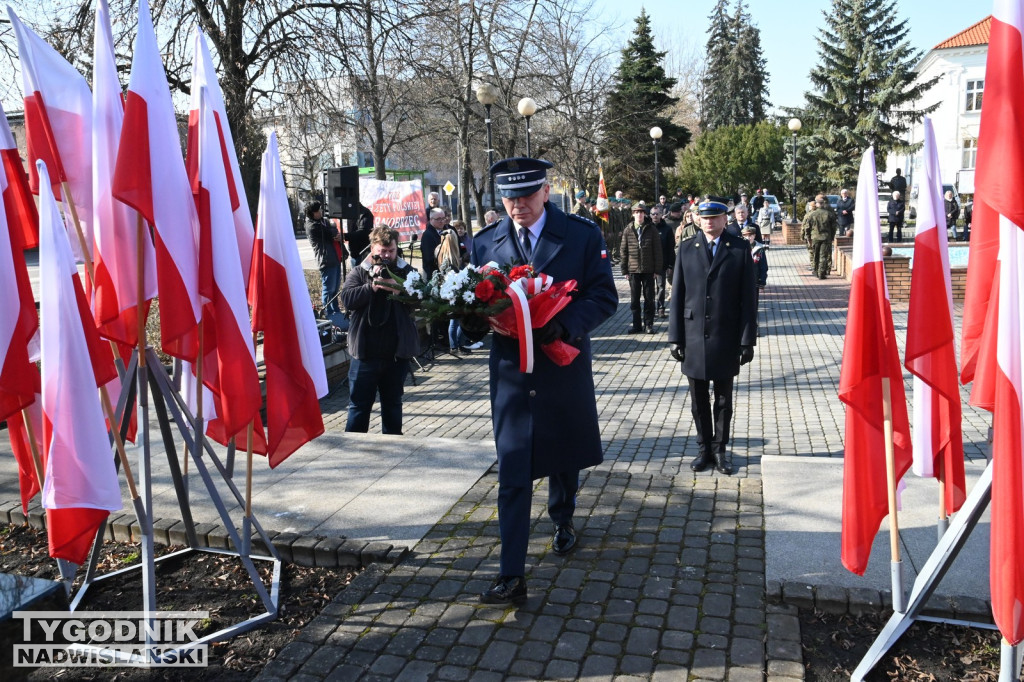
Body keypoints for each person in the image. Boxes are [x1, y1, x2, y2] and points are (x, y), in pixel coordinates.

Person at [468, 157, 617, 605]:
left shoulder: (580, 235)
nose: (517, 206)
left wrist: (564, 324)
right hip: (511, 375)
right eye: (509, 197)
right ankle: (511, 575)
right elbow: (473, 304)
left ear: (546, 191)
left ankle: (563, 516)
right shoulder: (484, 243)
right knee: (512, 470)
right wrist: (470, 322)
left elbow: (603, 297)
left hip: (561, 364)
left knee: (563, 457)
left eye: (526, 196)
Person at [669, 196, 756, 475]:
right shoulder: (686, 249)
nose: (709, 222)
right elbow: (678, 295)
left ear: (725, 219)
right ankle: (703, 448)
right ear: (697, 219)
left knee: (722, 399)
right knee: (697, 400)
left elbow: (748, 299)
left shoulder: (740, 249)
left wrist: (747, 340)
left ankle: (720, 449)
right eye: (704, 217)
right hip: (693, 336)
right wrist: (675, 337)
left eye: (715, 217)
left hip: (725, 335)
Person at [340, 226, 421, 434]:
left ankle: (394, 452)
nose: (386, 256)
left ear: (397, 249)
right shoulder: (359, 271)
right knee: (358, 407)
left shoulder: (408, 272)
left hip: (396, 356)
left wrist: (399, 288)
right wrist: (372, 286)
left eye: (391, 251)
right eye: (381, 252)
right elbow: (347, 299)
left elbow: (423, 298)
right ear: (373, 249)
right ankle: (354, 452)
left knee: (393, 406)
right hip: (365, 355)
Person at [621, 202, 663, 334]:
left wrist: (657, 269)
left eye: (641, 212)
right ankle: (636, 325)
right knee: (634, 300)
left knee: (649, 299)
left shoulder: (652, 229)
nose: (639, 214)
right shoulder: (628, 229)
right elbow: (624, 250)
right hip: (633, 270)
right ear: (633, 214)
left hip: (648, 270)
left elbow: (657, 250)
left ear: (645, 214)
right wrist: (624, 270)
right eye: (636, 212)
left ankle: (649, 325)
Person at [305, 200, 345, 316]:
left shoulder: (323, 221)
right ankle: (328, 311)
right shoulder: (312, 226)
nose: (321, 212)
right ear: (312, 213)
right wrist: (332, 229)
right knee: (329, 288)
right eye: (318, 210)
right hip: (326, 260)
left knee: (335, 288)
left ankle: (336, 310)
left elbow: (334, 230)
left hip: (336, 258)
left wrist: (332, 228)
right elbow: (330, 233)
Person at [803, 198, 838, 279]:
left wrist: (808, 238)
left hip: (815, 237)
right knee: (823, 256)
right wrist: (832, 236)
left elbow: (807, 227)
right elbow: (834, 227)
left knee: (816, 255)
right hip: (826, 237)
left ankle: (816, 271)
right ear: (823, 204)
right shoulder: (829, 214)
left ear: (817, 204)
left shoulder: (812, 214)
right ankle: (821, 272)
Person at [654, 205, 676, 319]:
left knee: (661, 286)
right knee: (648, 289)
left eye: (657, 214)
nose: (655, 216)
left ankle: (661, 308)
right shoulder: (647, 228)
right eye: (653, 214)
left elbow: (670, 248)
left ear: (661, 215)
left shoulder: (666, 229)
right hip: (648, 263)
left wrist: (670, 264)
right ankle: (650, 309)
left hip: (662, 263)